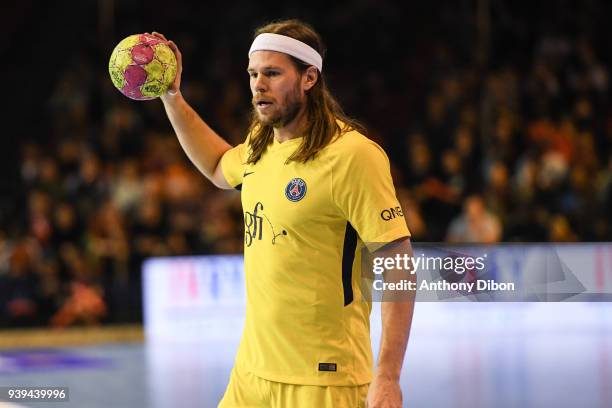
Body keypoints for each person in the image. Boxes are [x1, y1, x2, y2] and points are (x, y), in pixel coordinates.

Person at [154, 19, 414, 408]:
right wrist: (172, 97)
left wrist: (388, 376)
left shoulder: (353, 156)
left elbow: (398, 263)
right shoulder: (262, 143)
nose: (259, 85)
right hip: (251, 374)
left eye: (273, 73)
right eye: (253, 74)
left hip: (324, 381)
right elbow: (217, 166)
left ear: (309, 78)